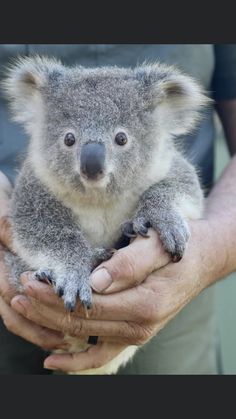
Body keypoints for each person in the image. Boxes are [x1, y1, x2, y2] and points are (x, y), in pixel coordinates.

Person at [0, 44, 236, 374]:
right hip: (17, 327)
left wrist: (210, 247)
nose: (92, 160)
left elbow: (183, 192)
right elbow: (30, 221)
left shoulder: (162, 164)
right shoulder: (38, 176)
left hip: (175, 330)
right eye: (70, 139)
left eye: (120, 139)